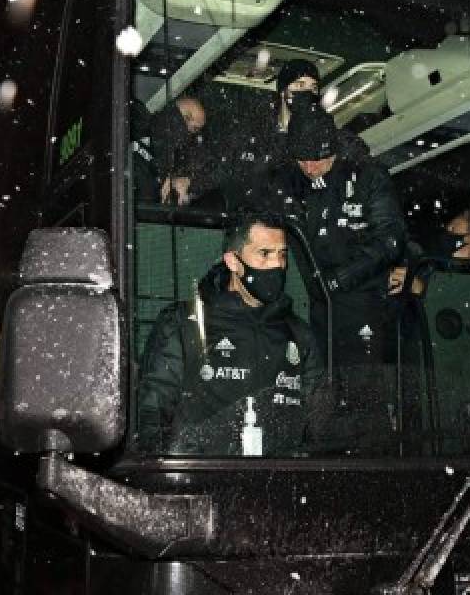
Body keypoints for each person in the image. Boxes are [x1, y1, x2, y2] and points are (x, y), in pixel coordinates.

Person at [254, 104, 406, 452]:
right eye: (301, 159)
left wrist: (341, 279)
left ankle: (369, 461)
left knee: (362, 387)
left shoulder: (368, 177)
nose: (309, 167)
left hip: (359, 300)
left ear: (333, 149)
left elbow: (391, 238)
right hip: (307, 301)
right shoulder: (288, 180)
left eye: (317, 159)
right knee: (312, 387)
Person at [135, 211, 327, 455]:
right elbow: (152, 412)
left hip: (280, 481)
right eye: (264, 254)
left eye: (282, 255)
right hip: (203, 480)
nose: (277, 265)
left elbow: (319, 422)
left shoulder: (298, 333)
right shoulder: (184, 323)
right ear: (233, 262)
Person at [186, 59, 370, 208]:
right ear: (283, 92)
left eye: (313, 88)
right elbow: (222, 167)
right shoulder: (255, 134)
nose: (307, 92)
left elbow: (360, 162)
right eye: (299, 85)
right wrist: (191, 185)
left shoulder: (328, 136)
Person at [130, 95, 206, 204]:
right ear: (184, 119)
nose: (193, 135)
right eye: (195, 129)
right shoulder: (136, 120)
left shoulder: (173, 159)